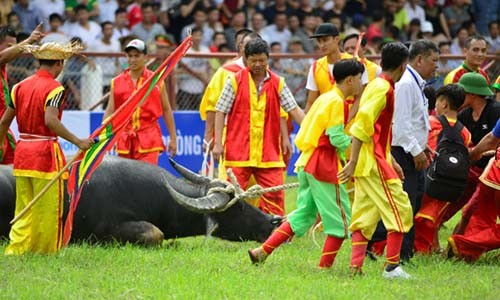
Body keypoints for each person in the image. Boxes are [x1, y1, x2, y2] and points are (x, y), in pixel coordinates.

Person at [248, 59, 365, 267]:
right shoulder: (337, 102)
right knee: (340, 219)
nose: (360, 83)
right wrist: (358, 144)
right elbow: (336, 136)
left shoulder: (326, 97)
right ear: (349, 80)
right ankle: (324, 267)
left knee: (303, 213)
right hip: (324, 164)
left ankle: (262, 251)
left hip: (307, 162)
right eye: (359, 79)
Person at [0, 42, 94, 255]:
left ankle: (17, 249)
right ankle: (44, 251)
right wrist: (78, 141)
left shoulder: (19, 86)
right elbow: (51, 121)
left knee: (24, 205)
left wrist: (0, 142)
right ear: (59, 64)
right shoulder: (56, 89)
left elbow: (4, 121)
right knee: (48, 207)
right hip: (44, 154)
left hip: (22, 153)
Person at [338, 42, 413, 279]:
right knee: (401, 209)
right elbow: (362, 125)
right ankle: (391, 267)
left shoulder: (376, 84)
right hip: (373, 163)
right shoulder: (383, 88)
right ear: (403, 65)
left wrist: (393, 161)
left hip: (372, 160)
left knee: (364, 215)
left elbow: (376, 131)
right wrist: (353, 162)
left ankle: (355, 266)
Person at [213, 38, 305, 216]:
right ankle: (228, 229)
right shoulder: (233, 81)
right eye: (253, 60)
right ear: (246, 59)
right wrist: (217, 143)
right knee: (230, 194)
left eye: (261, 60)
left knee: (275, 195)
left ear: (267, 59)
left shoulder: (279, 83)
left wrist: (313, 130)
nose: (257, 64)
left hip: (268, 153)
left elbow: (294, 110)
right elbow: (220, 111)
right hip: (238, 151)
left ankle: (275, 231)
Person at [390, 39, 439, 261]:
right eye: (434, 61)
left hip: (414, 151)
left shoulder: (415, 82)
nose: (437, 66)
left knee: (414, 202)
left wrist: (423, 146)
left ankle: (405, 252)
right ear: (419, 59)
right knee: (405, 205)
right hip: (404, 153)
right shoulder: (406, 84)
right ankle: (399, 256)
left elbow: (415, 122)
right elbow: (400, 125)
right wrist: (415, 150)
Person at [413, 84, 471, 254]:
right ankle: (432, 247)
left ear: (444, 104)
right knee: (435, 216)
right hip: (452, 183)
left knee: (422, 215)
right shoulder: (465, 132)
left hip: (430, 176)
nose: (435, 106)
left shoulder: (432, 123)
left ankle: (422, 250)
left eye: (437, 102)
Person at [103, 38, 177, 164]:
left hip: (149, 138)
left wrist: (173, 138)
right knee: (124, 180)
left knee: (147, 180)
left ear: (146, 57)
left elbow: (166, 109)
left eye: (137, 56)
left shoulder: (156, 81)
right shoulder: (116, 82)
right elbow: (110, 110)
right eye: (129, 56)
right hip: (125, 139)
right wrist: (103, 137)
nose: (132, 60)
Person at [447, 118, 500, 262]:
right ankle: (463, 245)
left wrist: (473, 154)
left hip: (491, 174)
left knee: (482, 217)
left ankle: (466, 255)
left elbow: (491, 139)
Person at [0, 24, 44, 164]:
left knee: (13, 166)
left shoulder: (3, 65)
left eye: (14, 46)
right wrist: (29, 41)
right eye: (9, 45)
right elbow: (2, 56)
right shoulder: (2, 59)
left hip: (3, 128)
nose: (13, 50)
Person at [304, 23, 368, 113]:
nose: (322, 45)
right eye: (319, 41)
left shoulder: (356, 63)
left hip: (351, 121)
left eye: (325, 40)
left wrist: (347, 120)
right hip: (326, 120)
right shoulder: (315, 66)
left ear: (337, 39)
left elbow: (360, 98)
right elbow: (311, 102)